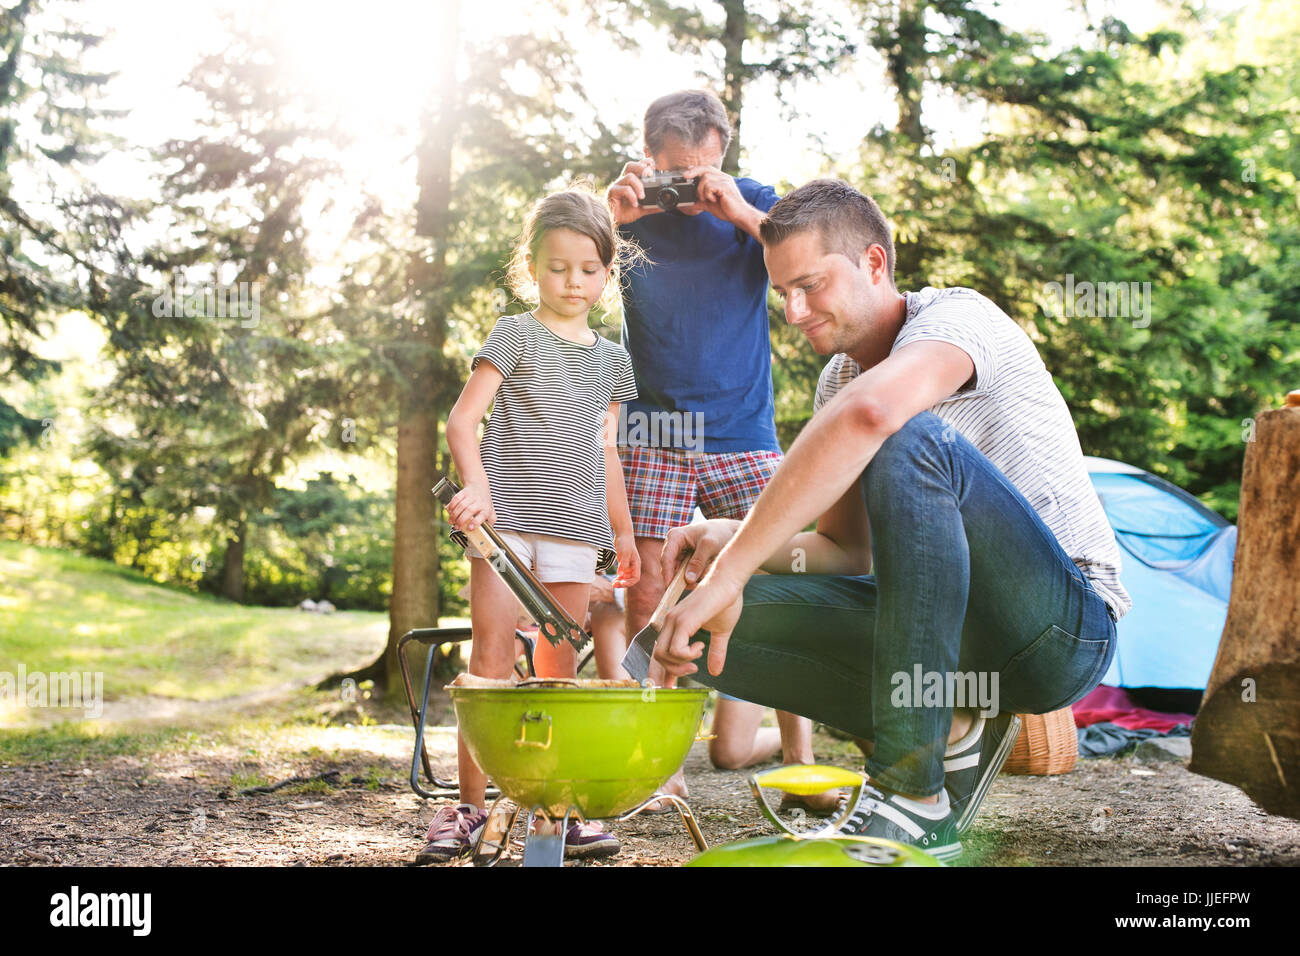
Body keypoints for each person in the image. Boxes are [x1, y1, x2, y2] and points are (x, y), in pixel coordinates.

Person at [652, 179, 1131, 860]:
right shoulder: (838, 382)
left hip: (1059, 629)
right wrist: (732, 554)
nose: (793, 311)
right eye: (782, 293)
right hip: (950, 641)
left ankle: (911, 791)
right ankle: (955, 729)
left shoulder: (958, 319)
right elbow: (844, 551)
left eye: (810, 285)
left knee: (907, 437)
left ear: (874, 264)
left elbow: (875, 418)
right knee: (690, 623)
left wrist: (733, 568)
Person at [606, 89, 834, 812]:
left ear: (722, 153)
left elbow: (808, 257)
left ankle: (801, 760)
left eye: (700, 169)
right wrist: (613, 216)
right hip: (655, 426)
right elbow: (571, 269)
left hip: (742, 424)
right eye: (675, 170)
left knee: (785, 572)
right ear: (650, 158)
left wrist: (733, 206)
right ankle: (659, 765)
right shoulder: (630, 204)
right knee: (646, 585)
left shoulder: (755, 203)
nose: (687, 184)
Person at [416, 187, 642, 864]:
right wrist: (478, 487)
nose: (573, 282)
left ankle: (555, 812)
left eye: (588, 268)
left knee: (557, 673)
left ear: (608, 273)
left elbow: (605, 452)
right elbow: (463, 422)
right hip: (505, 529)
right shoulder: (513, 334)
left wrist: (623, 533)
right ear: (531, 267)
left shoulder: (612, 360)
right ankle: (467, 811)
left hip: (576, 535)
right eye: (557, 267)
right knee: (489, 665)